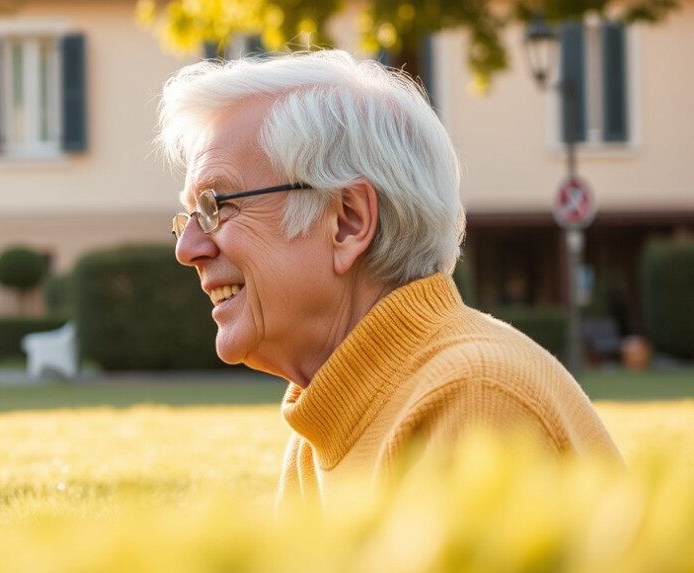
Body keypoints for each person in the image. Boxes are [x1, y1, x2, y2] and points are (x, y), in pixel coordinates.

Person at [156, 50, 621, 508]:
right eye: (190, 215)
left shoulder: (472, 396)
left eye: (217, 207)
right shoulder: (322, 421)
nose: (187, 248)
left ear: (348, 222)